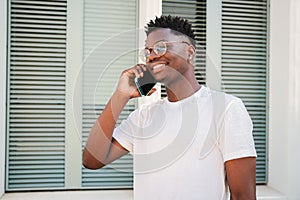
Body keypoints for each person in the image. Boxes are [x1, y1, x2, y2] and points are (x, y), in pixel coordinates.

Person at [82, 15, 257, 200]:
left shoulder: (226, 108)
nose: (152, 56)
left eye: (161, 47)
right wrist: (121, 95)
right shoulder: (143, 117)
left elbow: (242, 195)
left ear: (189, 52)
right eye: (148, 51)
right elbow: (92, 160)